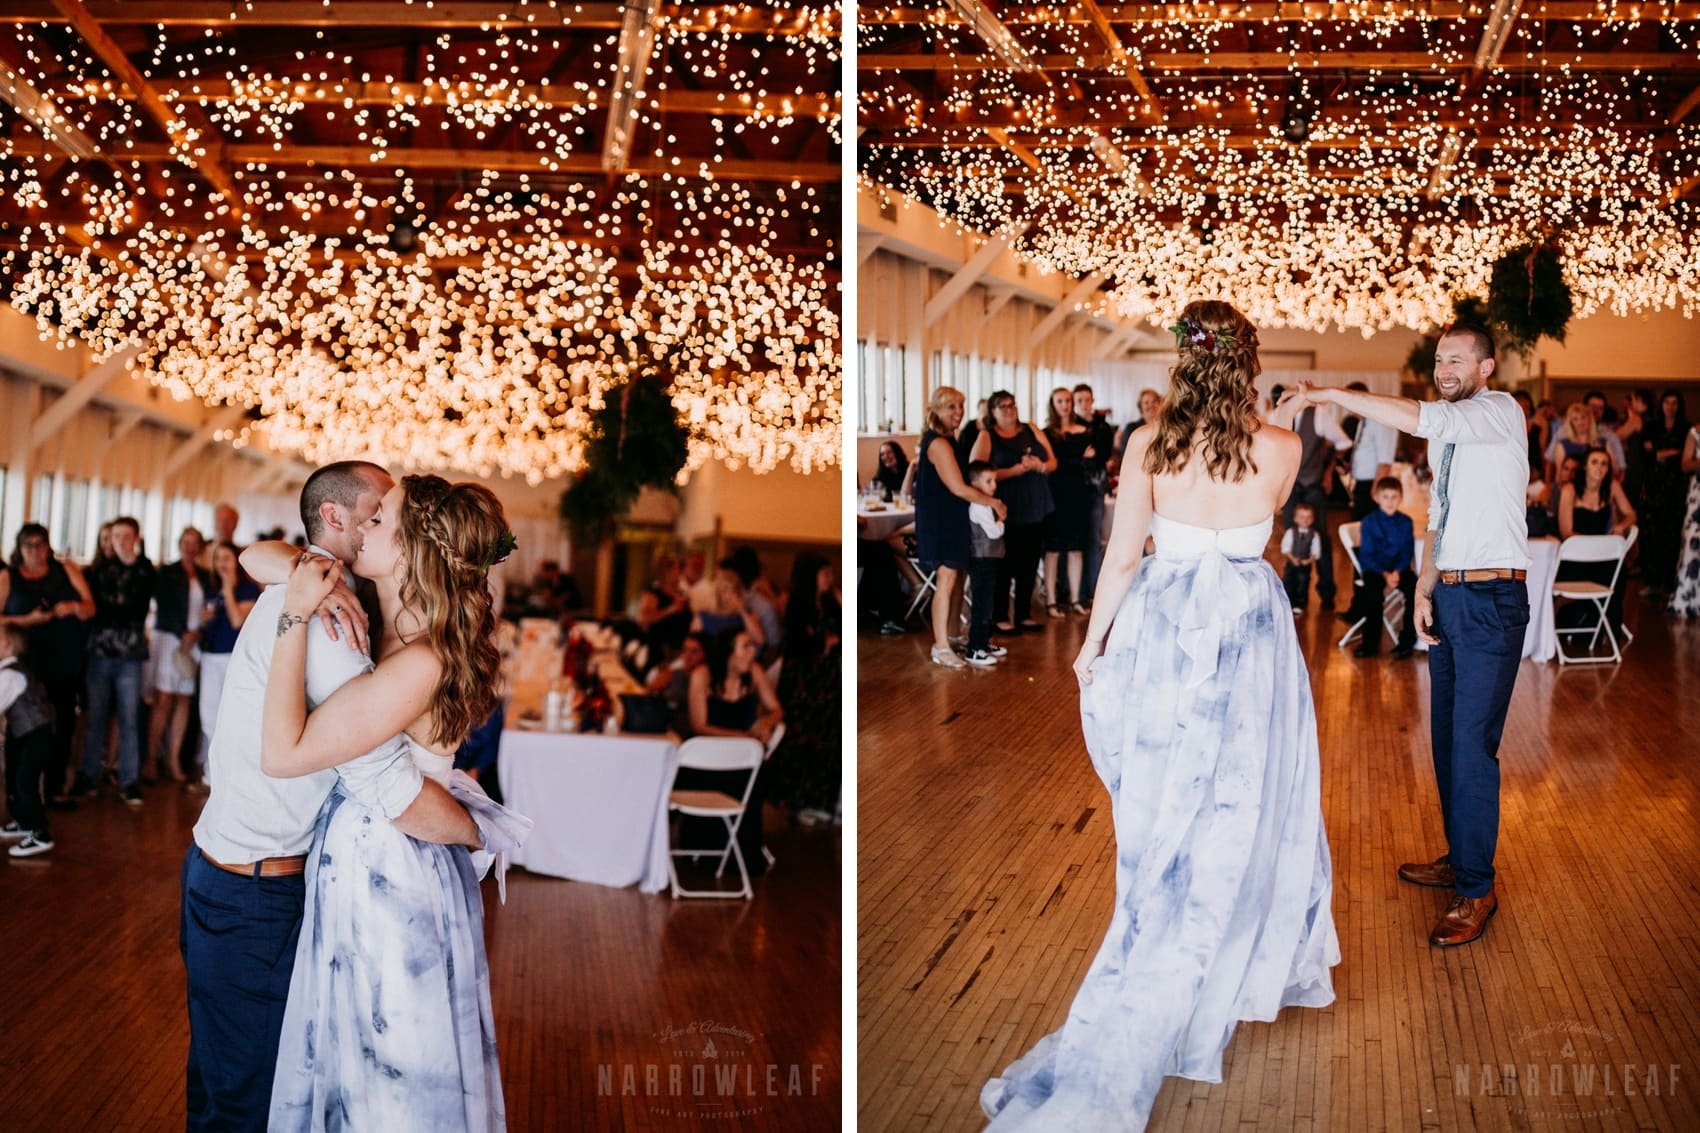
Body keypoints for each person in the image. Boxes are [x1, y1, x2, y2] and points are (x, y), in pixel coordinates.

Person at [983, 301, 1337, 1131]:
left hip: (1166, 638)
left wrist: (1091, 643)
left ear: (1181, 362)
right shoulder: (1284, 448)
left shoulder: (1148, 444)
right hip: (1253, 641)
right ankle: (1214, 970)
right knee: (1239, 811)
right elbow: (1264, 532)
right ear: (1250, 362)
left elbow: (1122, 555)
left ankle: (1164, 954)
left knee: (1161, 815)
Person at [180, 461, 499, 1131]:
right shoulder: (339, 611)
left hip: (352, 879)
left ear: (413, 547)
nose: (374, 521)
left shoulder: (381, 639)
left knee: (365, 1078)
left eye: (387, 516)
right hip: (265, 884)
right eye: (372, 511)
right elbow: (254, 553)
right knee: (256, 1088)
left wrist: (477, 828)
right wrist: (301, 598)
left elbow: (398, 788)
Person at [1287, 321, 1528, 949]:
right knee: (1448, 740)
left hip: (1492, 599)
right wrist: (1425, 587)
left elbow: (1422, 418)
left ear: (1486, 368)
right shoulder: (1451, 435)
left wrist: (1332, 395)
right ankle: (1460, 856)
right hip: (1451, 593)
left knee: (1472, 746)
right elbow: (1440, 516)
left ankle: (1476, 889)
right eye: (1440, 358)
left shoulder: (1499, 411)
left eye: (1457, 359)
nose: (1444, 367)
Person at [0, 524, 94, 809]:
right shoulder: (8, 577)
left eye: (40, 544)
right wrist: (28, 621)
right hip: (26, 665)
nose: (35, 551)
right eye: (28, 545)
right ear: (19, 548)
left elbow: (90, 607)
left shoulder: (67, 570)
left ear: (48, 546)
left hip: (63, 659)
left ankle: (54, 788)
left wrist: (73, 607)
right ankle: (20, 796)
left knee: (62, 724)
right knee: (23, 727)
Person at [914, 385, 1006, 669]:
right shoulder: (938, 444)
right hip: (940, 520)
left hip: (951, 518)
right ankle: (940, 645)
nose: (958, 412)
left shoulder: (947, 439)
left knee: (955, 580)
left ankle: (952, 635)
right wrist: (993, 502)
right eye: (951, 406)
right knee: (946, 581)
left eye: (961, 406)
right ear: (936, 410)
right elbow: (958, 487)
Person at [682, 627, 783, 878]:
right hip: (705, 764)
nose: (752, 651)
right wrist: (744, 738)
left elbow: (777, 710)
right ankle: (706, 845)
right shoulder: (702, 675)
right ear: (729, 653)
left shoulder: (754, 672)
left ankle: (741, 850)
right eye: (745, 646)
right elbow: (699, 726)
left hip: (741, 764)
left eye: (752, 645)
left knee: (759, 774)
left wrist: (766, 722)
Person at [75, 516, 155, 807]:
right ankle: (89, 776)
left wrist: (112, 612)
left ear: (135, 537)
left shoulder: (145, 569)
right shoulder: (100, 570)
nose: (120, 541)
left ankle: (128, 779)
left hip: (129, 656)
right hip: (99, 652)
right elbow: (100, 609)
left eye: (126, 536)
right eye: (116, 535)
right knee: (95, 716)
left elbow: (135, 606)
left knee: (128, 718)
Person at [971, 390, 1057, 634]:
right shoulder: (987, 436)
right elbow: (977, 473)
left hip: (1035, 504)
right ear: (993, 411)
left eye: (1012, 404)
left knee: (1029, 562)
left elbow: (1052, 462)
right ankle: (1000, 616)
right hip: (1007, 506)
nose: (1009, 410)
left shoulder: (1031, 429)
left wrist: (1038, 466)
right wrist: (1015, 470)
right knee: (1005, 564)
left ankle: (1024, 613)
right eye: (1003, 406)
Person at [773, 553, 842, 826]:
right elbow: (801, 644)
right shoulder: (798, 605)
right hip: (802, 684)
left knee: (825, 740)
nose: (830, 579)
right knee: (802, 739)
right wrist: (826, 642)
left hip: (826, 683)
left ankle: (820, 800)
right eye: (824, 574)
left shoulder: (828, 602)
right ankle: (799, 801)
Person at [193, 542, 261, 790]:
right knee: (208, 717)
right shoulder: (212, 590)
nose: (221, 563)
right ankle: (211, 775)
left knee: (231, 719)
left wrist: (228, 589)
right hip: (210, 657)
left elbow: (236, 621)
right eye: (217, 558)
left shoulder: (248, 590)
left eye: (226, 558)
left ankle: (226, 779)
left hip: (233, 659)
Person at [1280, 392, 1354, 613]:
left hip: (1313, 485)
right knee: (1291, 536)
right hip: (1290, 486)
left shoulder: (1318, 414)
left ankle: (1327, 592)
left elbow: (1344, 442)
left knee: (1320, 536)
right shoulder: (1279, 416)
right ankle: (1290, 594)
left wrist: (1329, 469)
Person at [148, 527, 211, 784]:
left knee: (184, 700)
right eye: (186, 542)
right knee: (164, 700)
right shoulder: (167, 571)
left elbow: (209, 606)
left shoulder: (205, 575)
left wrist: (197, 631)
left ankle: (173, 758)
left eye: (195, 543)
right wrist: (182, 631)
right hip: (171, 638)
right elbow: (164, 605)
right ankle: (151, 758)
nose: (190, 547)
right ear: (179, 544)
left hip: (194, 640)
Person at [0, 624, 57, 857]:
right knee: (13, 777)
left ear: (7, 645)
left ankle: (40, 833)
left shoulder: (11, 674)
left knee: (25, 780)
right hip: (23, 732)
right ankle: (23, 821)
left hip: (37, 733)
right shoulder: (8, 671)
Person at [1348, 476, 1419, 658]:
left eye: (1394, 497)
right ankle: (1370, 643)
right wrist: (1386, 574)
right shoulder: (1369, 522)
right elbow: (1367, 555)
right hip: (1376, 569)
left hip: (1399, 568)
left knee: (1415, 590)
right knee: (1372, 593)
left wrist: (1397, 571)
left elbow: (1406, 552)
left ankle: (1407, 641)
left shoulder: (1406, 522)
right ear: (1377, 498)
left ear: (1401, 498)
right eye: (1385, 497)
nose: (1390, 501)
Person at [1042, 386, 1093, 616]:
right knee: (1052, 549)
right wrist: (1077, 458)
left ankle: (1075, 599)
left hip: (1078, 493)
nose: (1065, 405)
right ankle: (1051, 600)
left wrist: (1074, 460)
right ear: (1053, 404)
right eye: (1060, 401)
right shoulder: (1047, 433)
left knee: (1076, 548)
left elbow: (1090, 461)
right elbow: (1053, 464)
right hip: (1054, 492)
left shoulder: (1084, 430)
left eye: (1067, 401)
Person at [1642, 390, 1691, 596]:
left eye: (1674, 403)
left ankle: (1669, 584)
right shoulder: (1651, 426)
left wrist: (1666, 453)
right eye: (1667, 402)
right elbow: (1649, 454)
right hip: (1654, 485)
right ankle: (1651, 583)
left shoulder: (1686, 427)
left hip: (1677, 488)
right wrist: (1671, 452)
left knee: (1672, 537)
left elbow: (1685, 457)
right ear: (1661, 405)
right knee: (1651, 535)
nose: (1670, 407)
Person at [1072, 383, 1114, 605]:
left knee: (1094, 538)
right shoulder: (1068, 427)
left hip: (1095, 487)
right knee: (1074, 542)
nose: (1084, 404)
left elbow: (1104, 455)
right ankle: (1073, 592)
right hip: (1073, 490)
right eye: (1079, 400)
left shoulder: (1101, 427)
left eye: (1087, 400)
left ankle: (1093, 589)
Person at [963, 461, 1006, 667]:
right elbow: (993, 532)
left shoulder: (985, 503)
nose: (993, 485)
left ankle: (984, 642)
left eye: (994, 480)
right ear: (974, 484)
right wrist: (1001, 520)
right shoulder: (979, 506)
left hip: (988, 559)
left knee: (987, 602)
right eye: (988, 481)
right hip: (981, 560)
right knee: (982, 603)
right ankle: (974, 648)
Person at [1348, 382, 1400, 519]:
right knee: (1359, 527)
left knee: (1369, 528)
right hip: (1362, 484)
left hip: (1373, 484)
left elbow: (1385, 461)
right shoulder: (1363, 421)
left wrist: (1377, 490)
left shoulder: (1379, 420)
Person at [1665, 422, 1700, 618]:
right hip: (1698, 495)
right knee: (1692, 544)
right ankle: (1687, 599)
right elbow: (1685, 464)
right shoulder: (1695, 432)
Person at [1281, 502, 1322, 614]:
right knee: (1288, 582)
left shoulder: (1314, 535)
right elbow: (1285, 548)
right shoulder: (1290, 532)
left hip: (1305, 565)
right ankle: (1287, 602)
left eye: (1308, 517)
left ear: (1313, 519)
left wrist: (1308, 560)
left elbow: (1316, 552)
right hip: (1291, 563)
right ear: (1295, 519)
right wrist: (1292, 558)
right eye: (1302, 517)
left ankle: (1300, 604)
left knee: (1303, 584)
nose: (1305, 520)